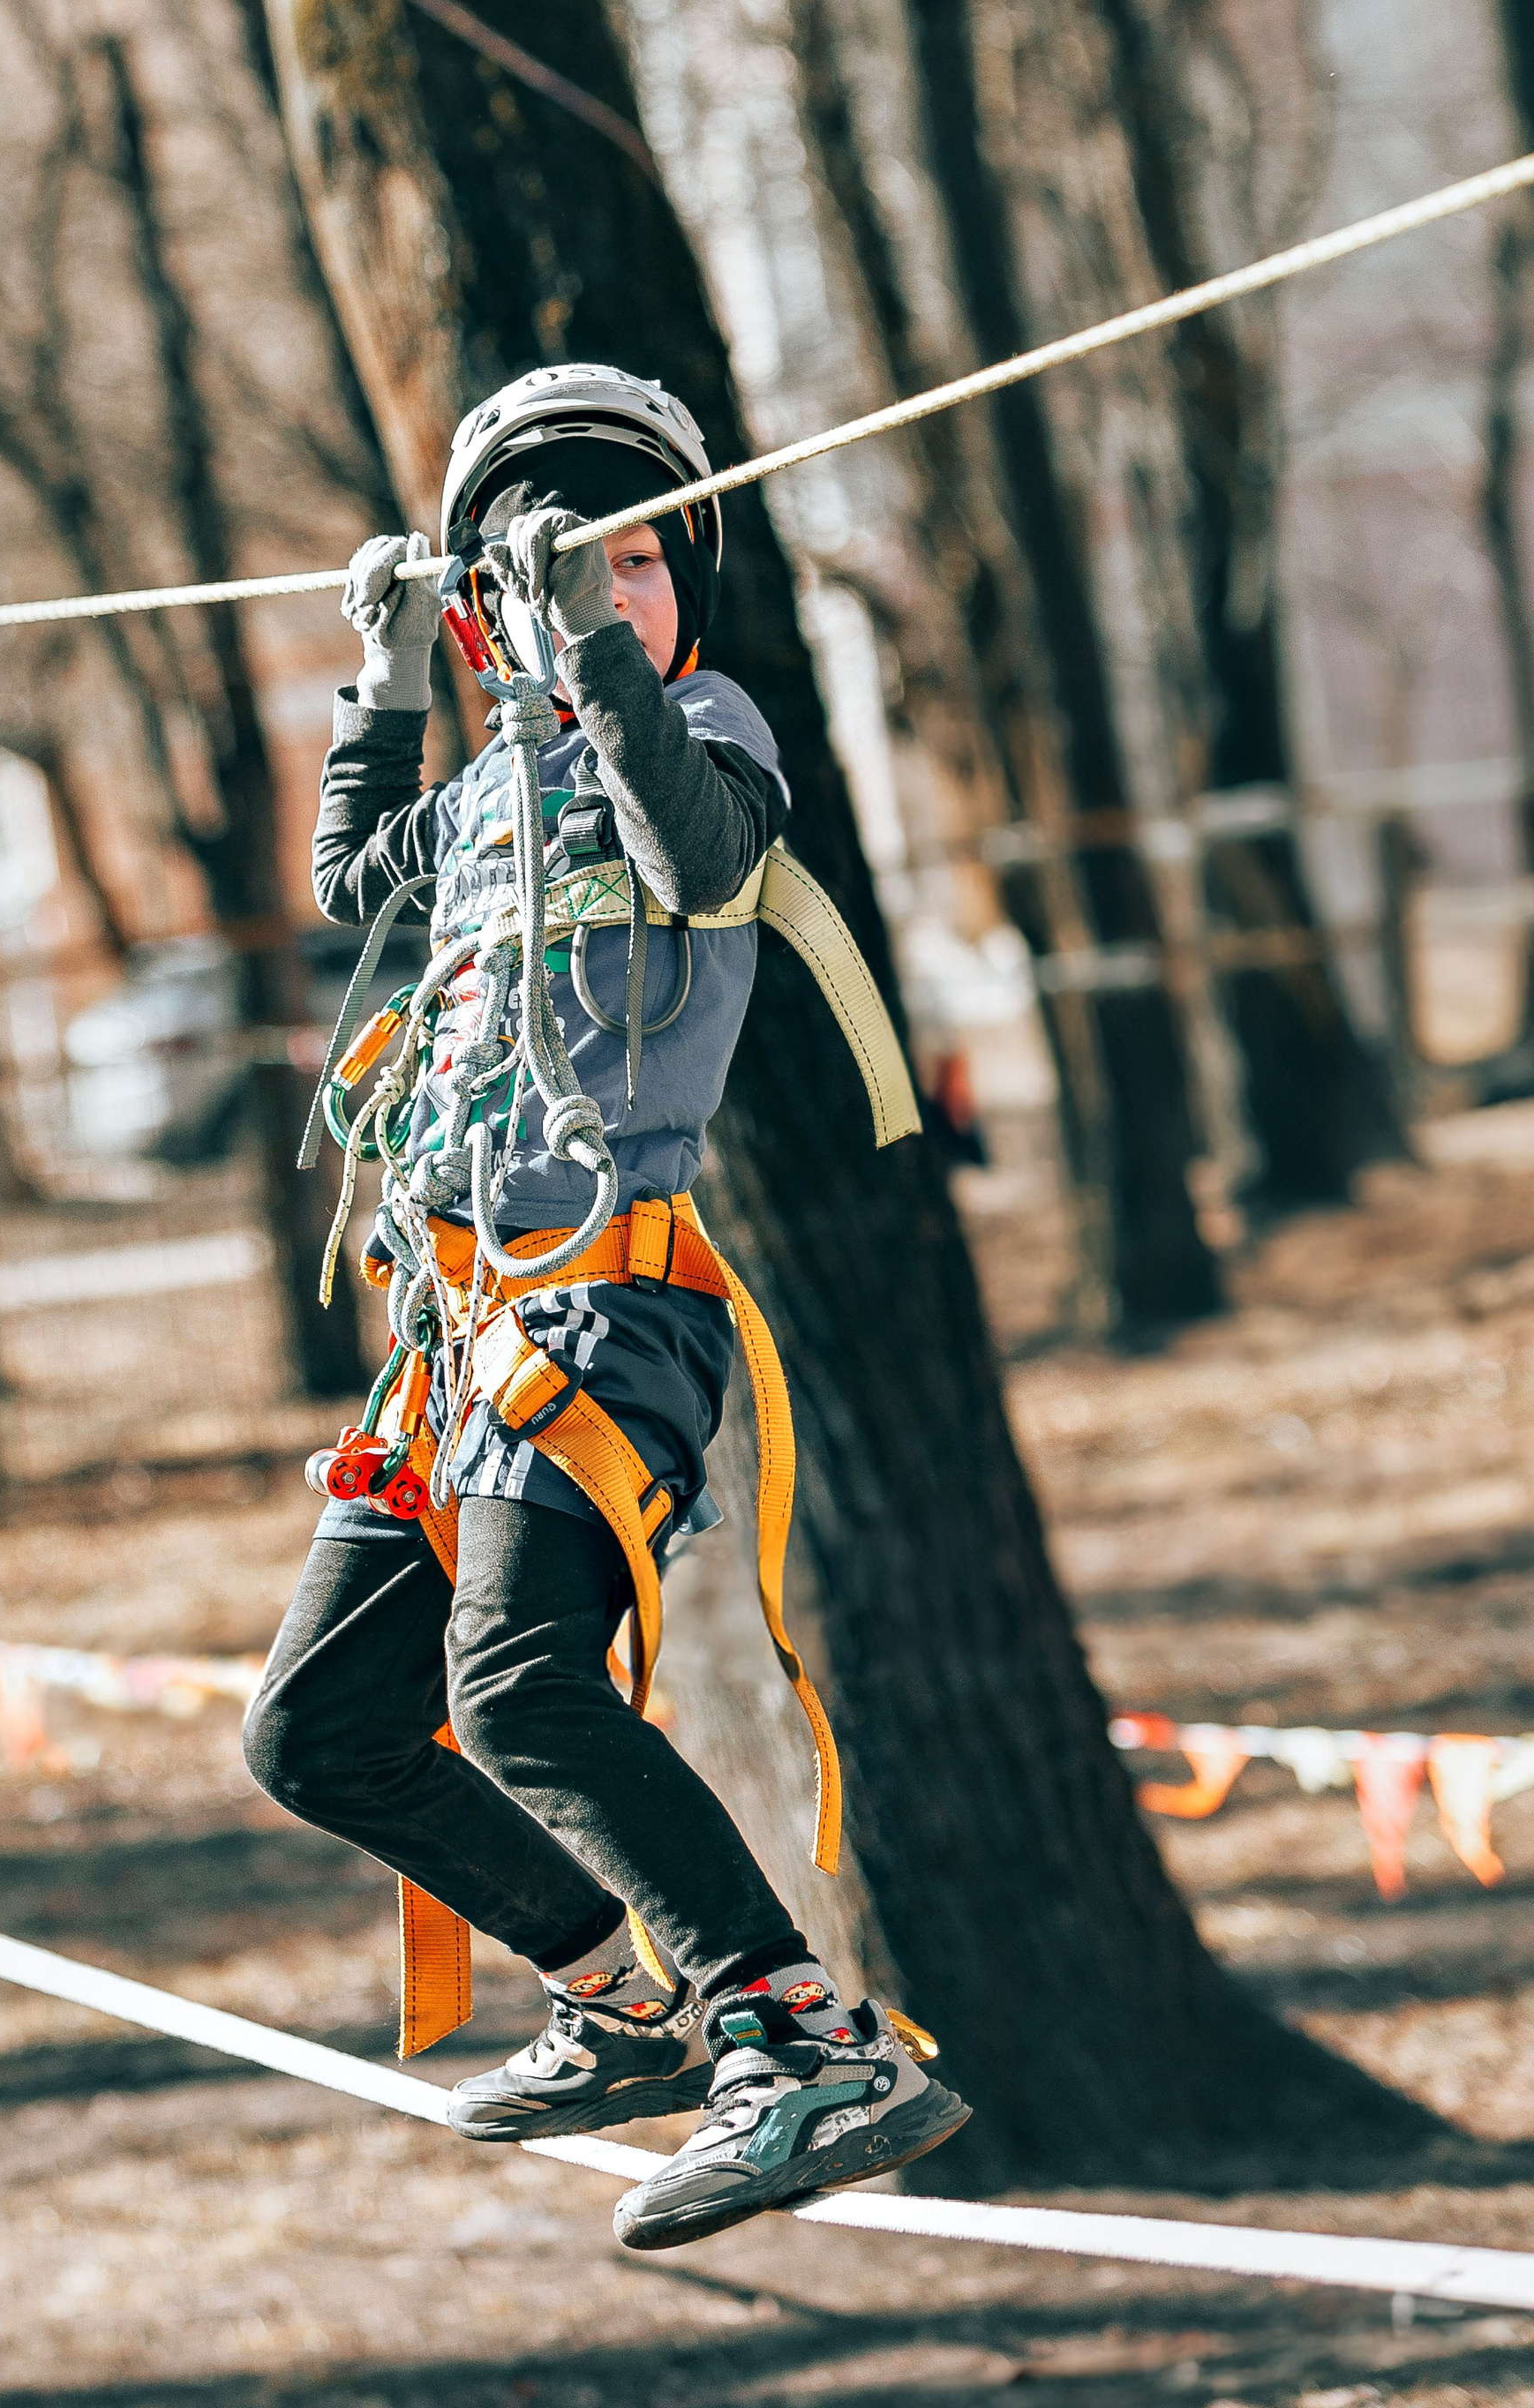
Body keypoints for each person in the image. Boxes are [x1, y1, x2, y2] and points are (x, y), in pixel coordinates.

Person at [243, 364, 967, 2252]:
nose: (616, 592)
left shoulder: (702, 726)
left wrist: (592, 649)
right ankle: (619, 1993)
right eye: (577, 573)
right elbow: (342, 882)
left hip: (607, 1313)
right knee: (319, 1729)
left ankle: (796, 2032)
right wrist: (396, 670)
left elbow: (697, 857)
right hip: (457, 1340)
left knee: (518, 1681)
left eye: (643, 563)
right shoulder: (480, 788)